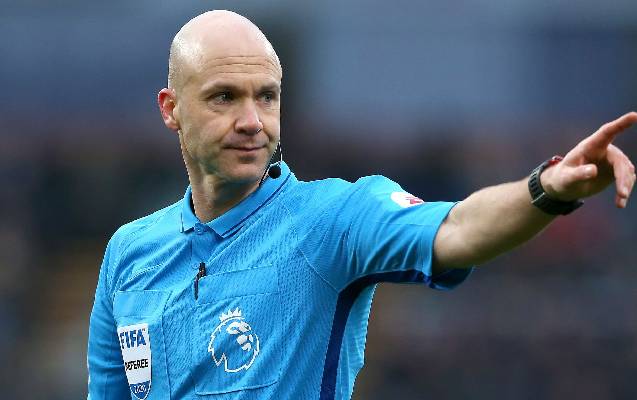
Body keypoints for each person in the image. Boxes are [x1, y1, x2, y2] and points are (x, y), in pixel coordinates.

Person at [86, 9, 636, 400]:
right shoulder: (129, 254)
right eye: (224, 97)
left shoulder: (332, 220)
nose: (252, 121)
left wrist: (547, 188)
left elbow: (459, 229)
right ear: (171, 108)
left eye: (267, 97)